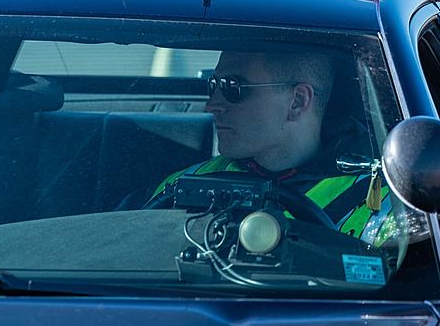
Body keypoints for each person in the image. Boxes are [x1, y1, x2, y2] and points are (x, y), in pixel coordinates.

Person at [151, 50, 396, 246]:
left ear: (297, 102)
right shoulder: (181, 186)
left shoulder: (383, 205)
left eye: (232, 88)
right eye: (213, 85)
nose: (212, 105)